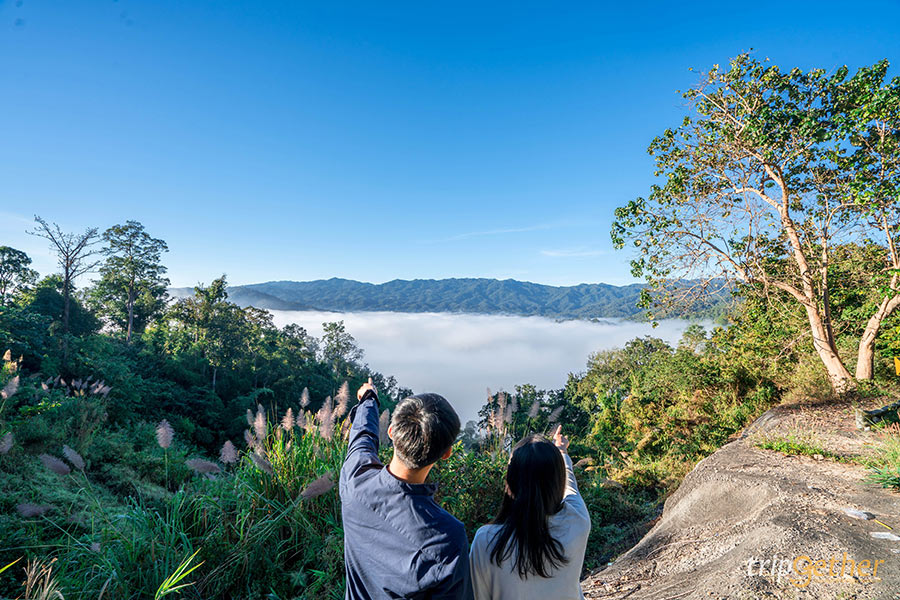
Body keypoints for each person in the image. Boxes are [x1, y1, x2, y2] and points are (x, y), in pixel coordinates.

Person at [340, 379, 473, 600]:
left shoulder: (355, 481)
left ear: (391, 432)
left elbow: (362, 437)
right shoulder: (447, 537)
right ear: (447, 453)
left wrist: (369, 399)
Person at [468, 425, 591, 600]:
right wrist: (562, 452)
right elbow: (570, 486)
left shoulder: (487, 540)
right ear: (557, 479)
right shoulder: (577, 520)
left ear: (511, 479)